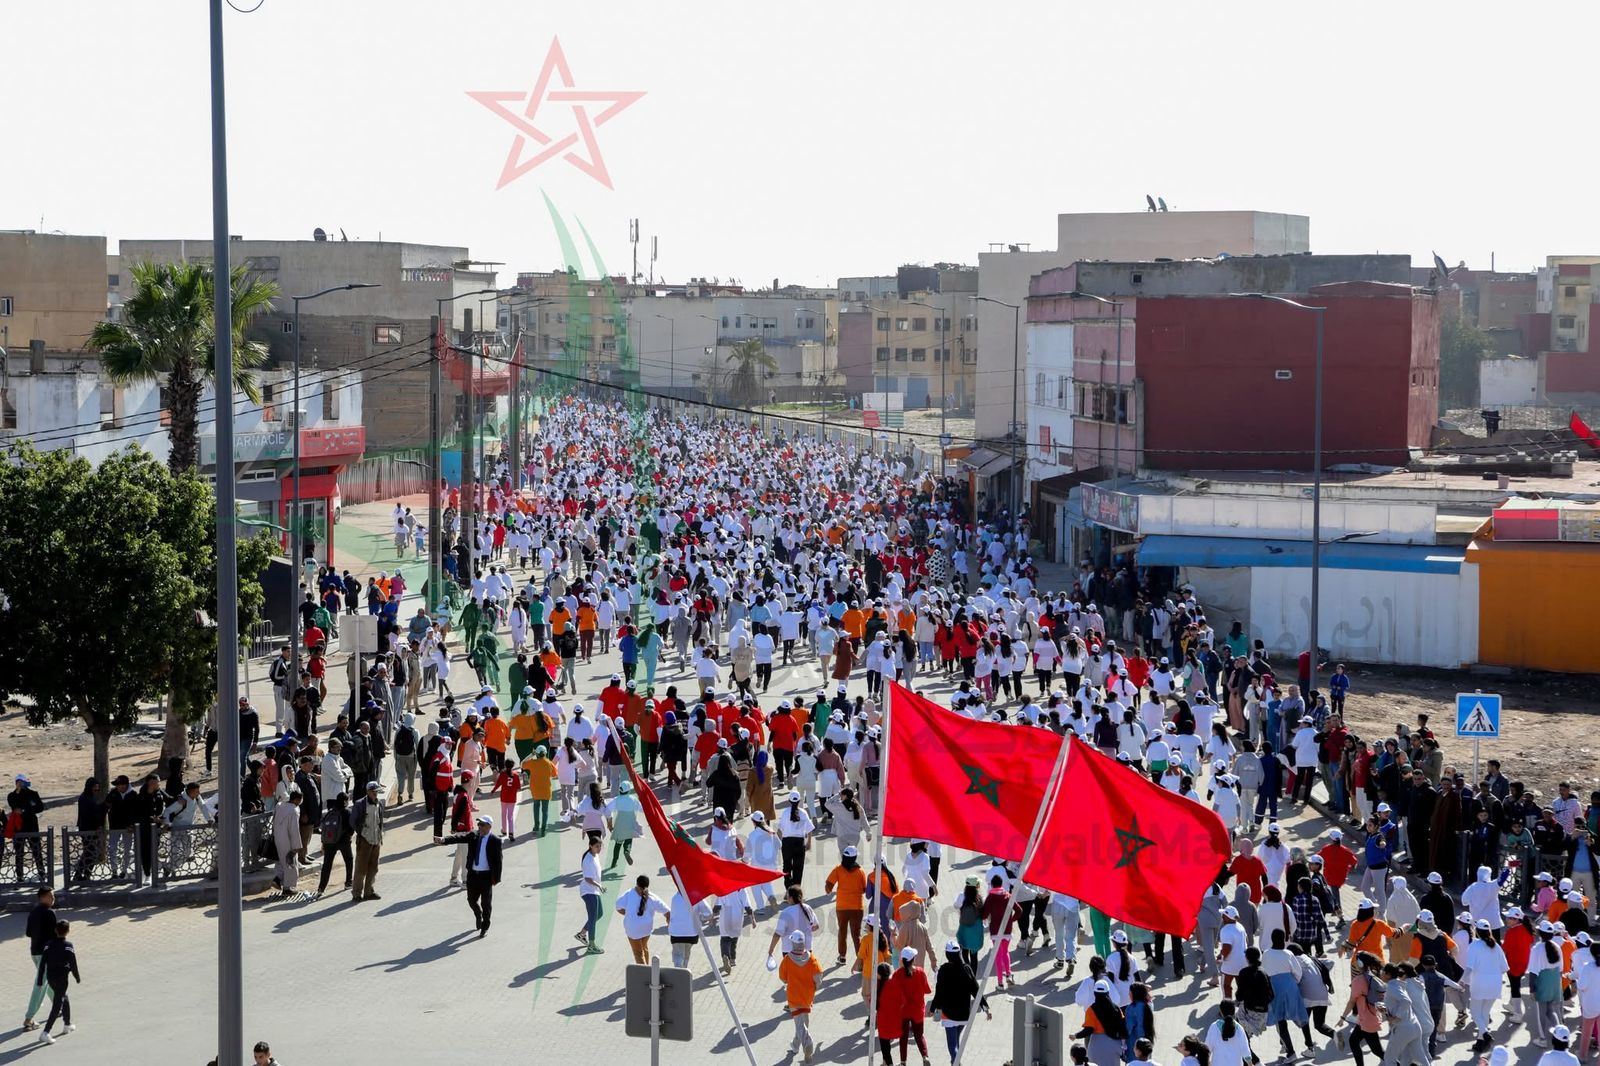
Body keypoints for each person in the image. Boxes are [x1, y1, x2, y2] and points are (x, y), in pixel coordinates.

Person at [434, 814, 501, 938]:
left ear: (489, 826)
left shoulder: (495, 840)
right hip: (473, 875)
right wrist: (444, 840)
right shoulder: (473, 835)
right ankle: (478, 914)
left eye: (482, 825)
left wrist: (496, 879)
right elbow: (459, 837)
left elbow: (498, 861)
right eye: (478, 824)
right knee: (471, 900)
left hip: (486, 877)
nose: (479, 827)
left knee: (486, 904)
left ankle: (485, 927)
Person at [930, 939, 990, 1063]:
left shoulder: (943, 970)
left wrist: (932, 1009)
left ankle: (956, 1061)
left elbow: (939, 992)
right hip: (964, 1014)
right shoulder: (967, 968)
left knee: (952, 1045)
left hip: (948, 1015)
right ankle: (955, 1062)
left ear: (947, 954)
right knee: (956, 1040)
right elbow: (976, 989)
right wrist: (985, 1008)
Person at [778, 930, 822, 1063]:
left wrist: (788, 981)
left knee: (799, 1024)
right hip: (807, 996)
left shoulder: (787, 960)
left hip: (794, 996)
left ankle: (808, 1043)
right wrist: (815, 987)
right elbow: (818, 977)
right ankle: (795, 1046)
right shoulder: (812, 959)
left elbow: (783, 978)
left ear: (793, 943)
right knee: (804, 1020)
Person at [33, 921, 78, 1045]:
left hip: (51, 978)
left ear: (55, 931)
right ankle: (45, 1032)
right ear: (68, 931)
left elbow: (42, 963)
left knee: (64, 996)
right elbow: (73, 963)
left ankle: (67, 1024)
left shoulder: (48, 945)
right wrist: (77, 976)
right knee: (57, 1004)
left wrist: (40, 980)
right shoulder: (68, 945)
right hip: (62, 979)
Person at [615, 874, 670, 965]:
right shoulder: (652, 897)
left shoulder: (628, 894)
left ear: (637, 884)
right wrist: (670, 925)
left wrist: (627, 913)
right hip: (646, 929)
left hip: (633, 929)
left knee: (638, 953)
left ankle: (645, 971)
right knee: (644, 948)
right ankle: (647, 967)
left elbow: (618, 907)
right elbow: (667, 912)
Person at [21, 887, 56, 1033]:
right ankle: (29, 1019)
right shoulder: (49, 913)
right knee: (41, 984)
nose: (53, 899)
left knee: (47, 980)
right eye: (50, 896)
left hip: (34, 952)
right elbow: (56, 935)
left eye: (53, 896)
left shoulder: (33, 912)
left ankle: (59, 1004)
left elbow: (28, 933)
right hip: (46, 954)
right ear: (42, 897)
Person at [351, 781, 385, 902]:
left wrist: (380, 835)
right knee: (361, 868)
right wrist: (362, 832)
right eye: (374, 792)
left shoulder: (379, 803)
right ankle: (356, 893)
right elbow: (353, 821)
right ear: (368, 791)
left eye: (377, 792)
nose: (376, 794)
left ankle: (369, 891)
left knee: (373, 868)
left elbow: (380, 820)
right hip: (364, 840)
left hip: (376, 840)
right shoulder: (359, 804)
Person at [316, 792, 354, 898]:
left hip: (329, 842)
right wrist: (349, 835)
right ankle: (348, 882)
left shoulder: (330, 812)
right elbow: (351, 828)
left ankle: (321, 888)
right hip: (344, 841)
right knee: (349, 860)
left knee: (327, 865)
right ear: (345, 801)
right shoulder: (347, 812)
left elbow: (324, 829)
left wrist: (323, 843)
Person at [271, 787, 303, 896]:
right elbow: (294, 830)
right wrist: (296, 845)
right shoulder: (294, 811)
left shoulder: (279, 806)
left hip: (277, 838)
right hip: (288, 841)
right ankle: (287, 888)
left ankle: (277, 879)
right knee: (290, 864)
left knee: (281, 862)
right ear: (296, 800)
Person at [577, 835, 605, 953]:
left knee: (599, 914)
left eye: (600, 846)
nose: (599, 849)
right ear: (590, 846)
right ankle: (591, 945)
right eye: (597, 846)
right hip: (588, 891)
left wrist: (598, 887)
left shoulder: (595, 855)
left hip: (594, 891)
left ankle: (582, 934)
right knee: (593, 917)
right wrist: (599, 885)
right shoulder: (588, 860)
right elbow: (588, 878)